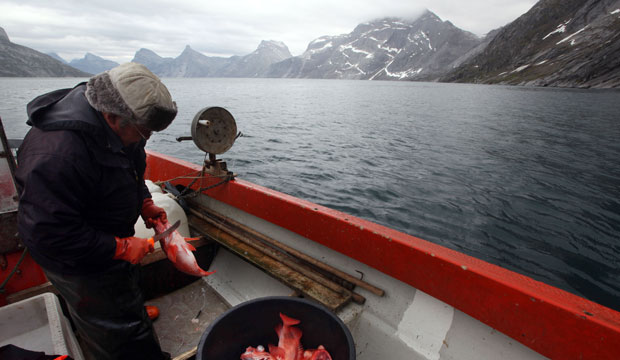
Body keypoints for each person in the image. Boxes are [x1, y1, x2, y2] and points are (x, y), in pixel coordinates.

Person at [15, 62, 177, 359]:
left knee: (123, 288)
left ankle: (130, 311)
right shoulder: (57, 154)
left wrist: (144, 202)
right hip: (74, 255)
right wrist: (119, 246)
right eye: (144, 131)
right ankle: (121, 331)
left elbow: (128, 169)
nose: (147, 138)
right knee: (116, 331)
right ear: (114, 117)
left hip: (106, 231)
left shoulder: (120, 125)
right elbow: (47, 233)